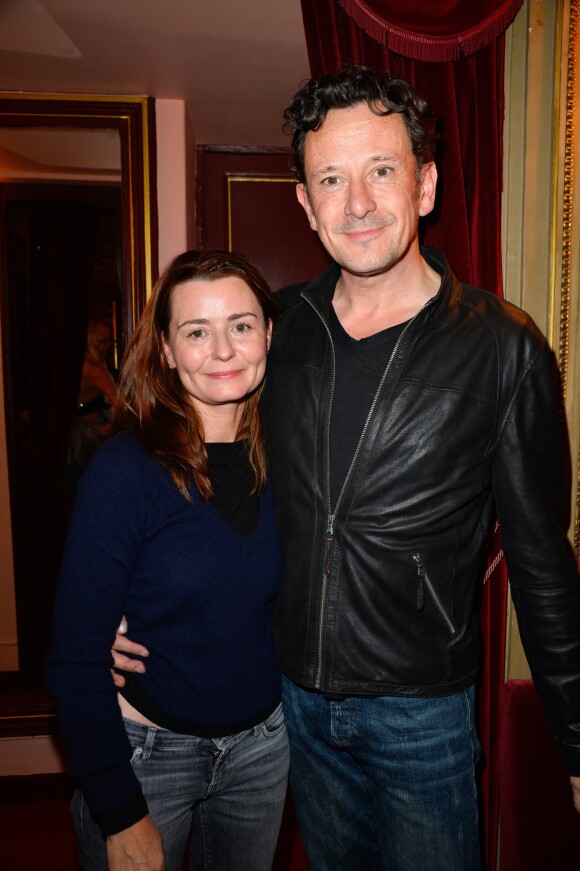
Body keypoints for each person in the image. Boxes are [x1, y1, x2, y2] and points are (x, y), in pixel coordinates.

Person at [113, 67, 580, 870]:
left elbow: (543, 563)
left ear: (425, 184)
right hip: (292, 702)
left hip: (423, 715)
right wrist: (123, 596)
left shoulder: (504, 348)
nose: (357, 202)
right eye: (331, 177)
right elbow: (191, 466)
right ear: (306, 202)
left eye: (382, 171)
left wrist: (576, 736)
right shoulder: (277, 330)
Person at [47, 250, 288, 871]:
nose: (223, 349)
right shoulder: (126, 471)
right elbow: (74, 656)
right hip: (146, 756)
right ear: (167, 348)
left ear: (268, 332)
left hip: (262, 753)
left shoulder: (290, 459)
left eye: (240, 324)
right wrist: (119, 810)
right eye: (196, 331)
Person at [67, 318, 118, 487]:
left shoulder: (91, 365)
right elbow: (122, 405)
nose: (106, 347)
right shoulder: (93, 368)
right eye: (102, 341)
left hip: (85, 434)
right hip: (85, 437)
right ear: (90, 339)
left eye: (108, 341)